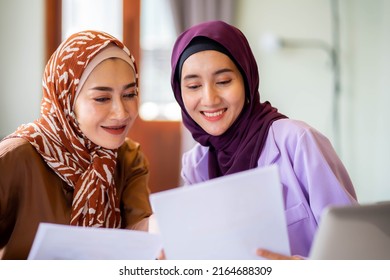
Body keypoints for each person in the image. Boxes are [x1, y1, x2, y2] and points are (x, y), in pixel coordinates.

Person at [170, 20, 358, 259]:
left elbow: (355, 246)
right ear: (179, 93)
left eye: (224, 81)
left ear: (247, 81)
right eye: (194, 85)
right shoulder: (195, 166)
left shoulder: (297, 142)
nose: (209, 98)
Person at [0, 30, 152, 259]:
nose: (122, 112)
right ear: (66, 100)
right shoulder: (14, 158)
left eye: (130, 94)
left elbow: (139, 238)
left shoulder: (129, 157)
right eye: (102, 98)